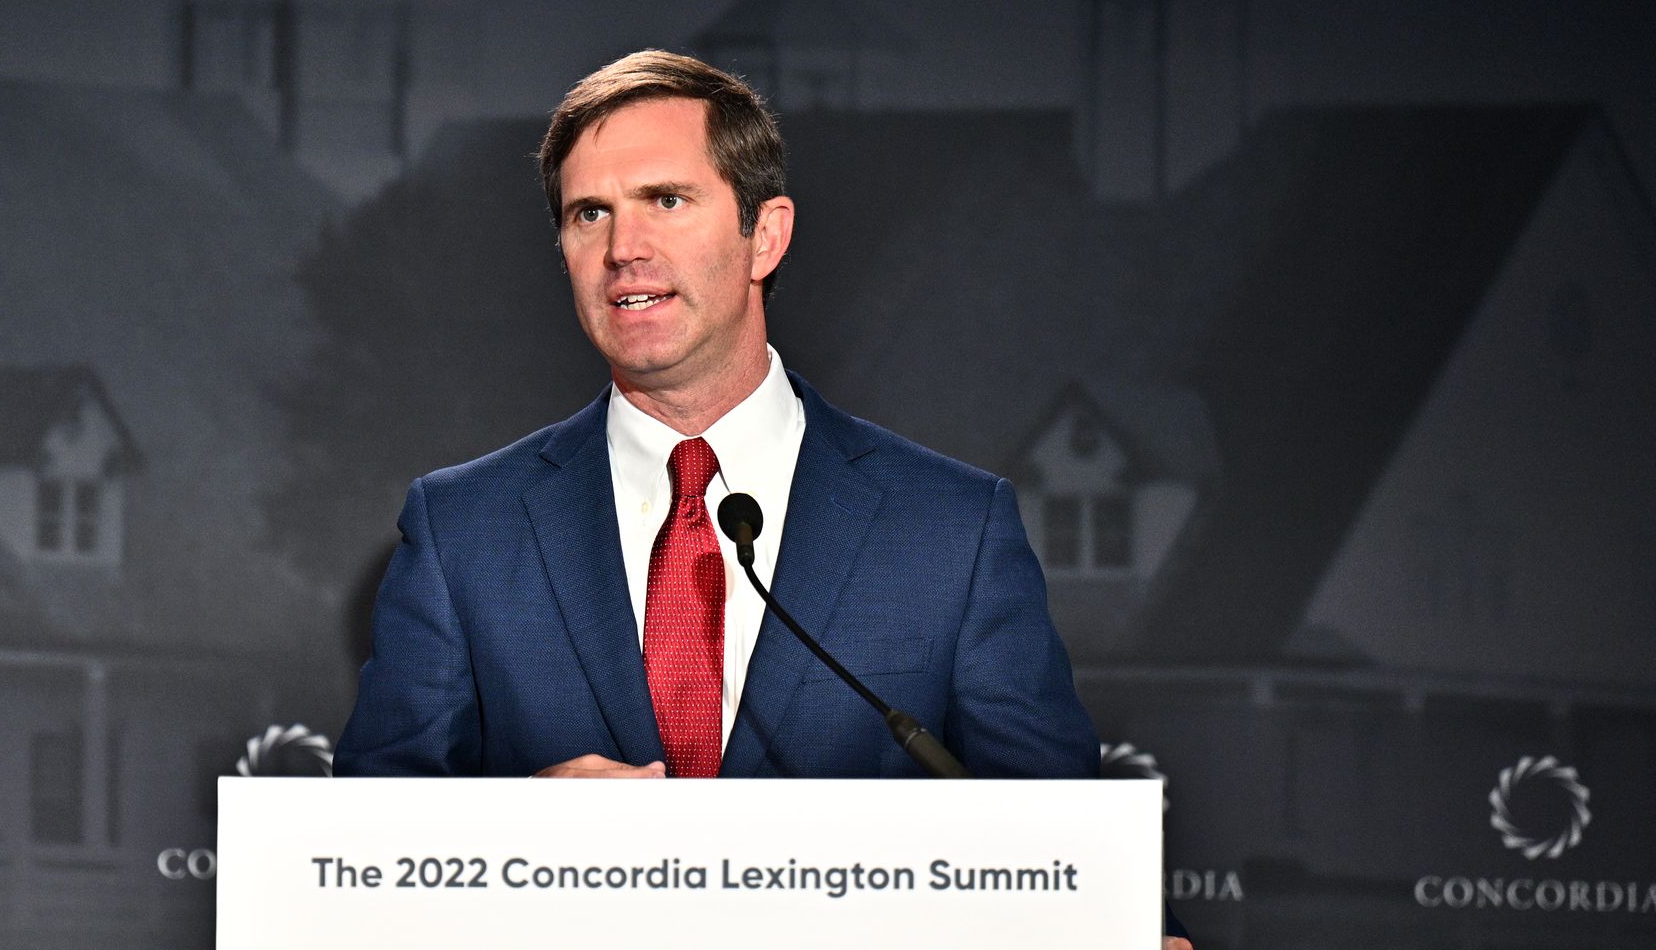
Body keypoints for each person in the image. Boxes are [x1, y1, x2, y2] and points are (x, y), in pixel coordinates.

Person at [333, 50, 1188, 945]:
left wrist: (1125, 923)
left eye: (667, 200)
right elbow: (348, 867)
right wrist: (514, 840)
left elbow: (1064, 859)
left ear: (765, 235)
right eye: (591, 214)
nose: (625, 248)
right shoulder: (464, 527)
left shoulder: (950, 530)